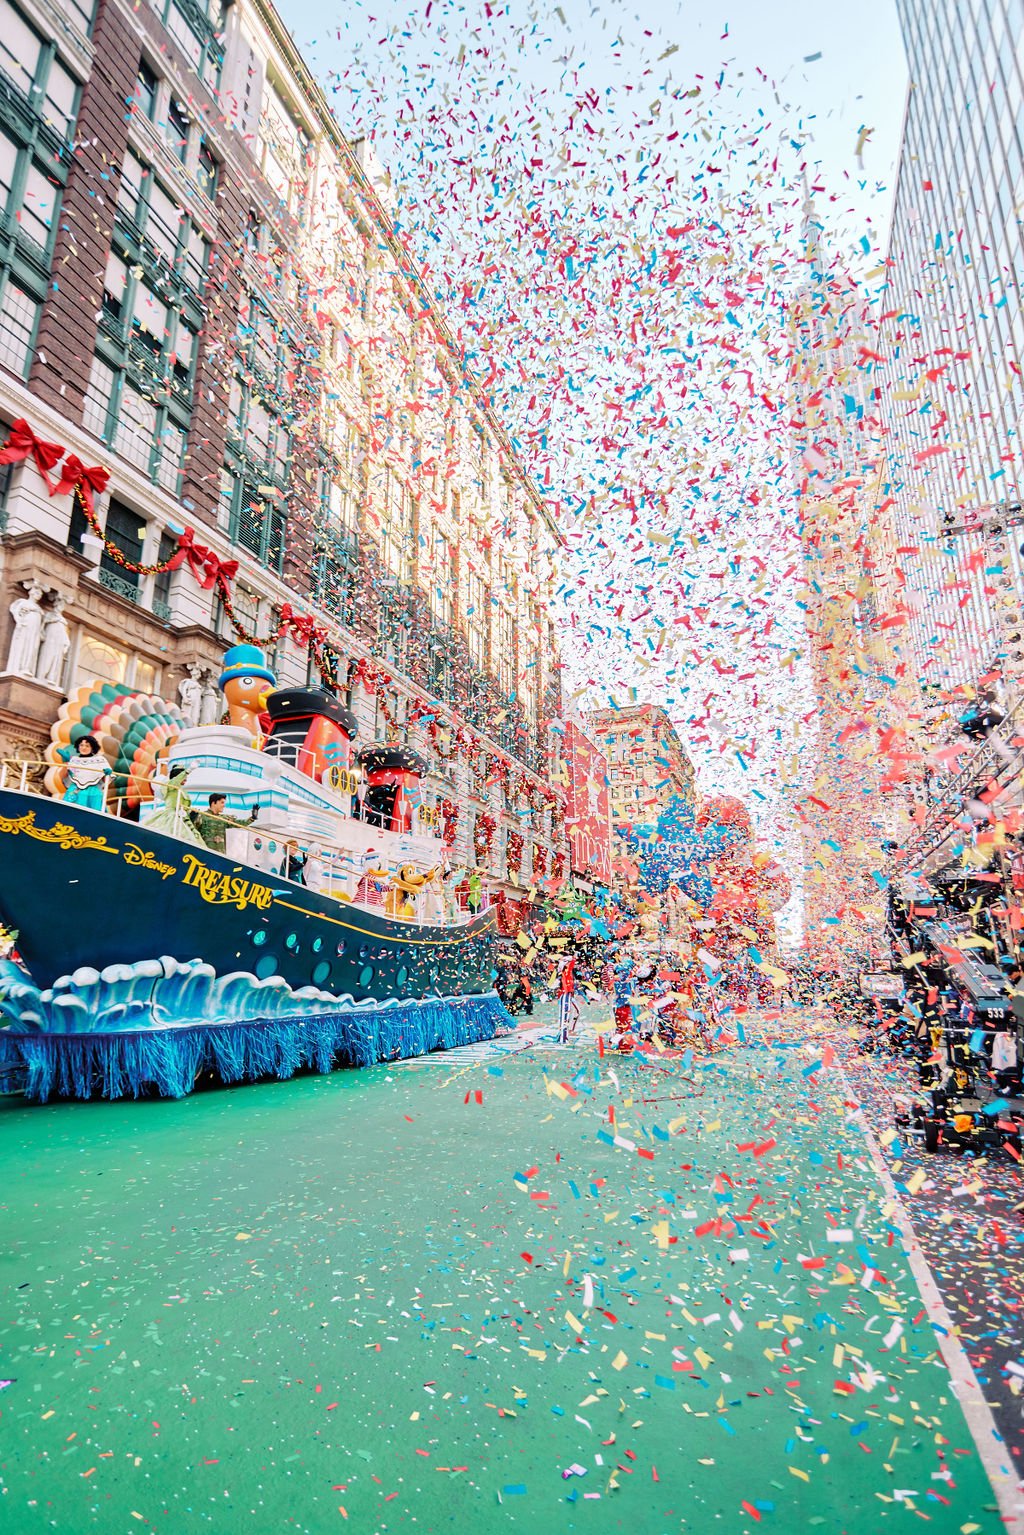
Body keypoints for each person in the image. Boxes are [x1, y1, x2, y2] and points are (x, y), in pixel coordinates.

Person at [145, 765, 205, 843]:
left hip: (183, 818)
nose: (186, 778)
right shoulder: (170, 786)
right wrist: (188, 770)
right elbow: (175, 781)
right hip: (171, 816)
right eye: (184, 776)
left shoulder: (183, 791)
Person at [58, 734, 112, 811]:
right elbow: (63, 777)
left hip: (93, 793)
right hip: (75, 791)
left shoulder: (100, 760)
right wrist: (66, 763)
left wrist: (107, 774)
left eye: (87, 746)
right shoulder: (73, 760)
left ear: (92, 748)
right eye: (81, 745)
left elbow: (105, 781)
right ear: (78, 746)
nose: (83, 748)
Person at [190, 793, 257, 855]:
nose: (224, 805)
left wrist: (252, 818)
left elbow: (239, 823)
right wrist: (192, 817)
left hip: (221, 855)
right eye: (222, 802)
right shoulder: (202, 816)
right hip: (204, 852)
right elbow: (192, 828)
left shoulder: (224, 818)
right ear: (213, 803)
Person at [557, 953, 579, 1043]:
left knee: (577, 1012)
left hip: (569, 994)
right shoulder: (563, 971)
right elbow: (572, 959)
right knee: (564, 1016)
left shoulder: (568, 971)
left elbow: (573, 960)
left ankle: (568, 1032)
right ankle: (563, 1037)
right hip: (565, 994)